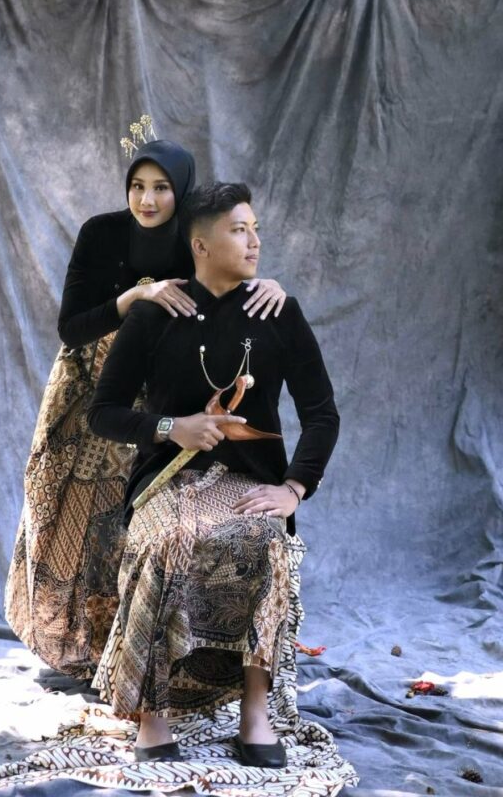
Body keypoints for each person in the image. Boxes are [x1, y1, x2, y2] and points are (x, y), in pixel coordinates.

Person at [5, 140, 286, 679]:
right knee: (61, 516)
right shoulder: (100, 233)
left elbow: (226, 292)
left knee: (128, 520)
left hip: (155, 398)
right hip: (84, 391)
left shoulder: (194, 238)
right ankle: (71, 649)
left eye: (161, 188)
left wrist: (264, 285)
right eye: (137, 186)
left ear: (181, 191)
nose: (147, 199)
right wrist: (135, 297)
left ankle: (129, 655)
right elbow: (71, 327)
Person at [87, 181, 339, 767]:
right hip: (167, 481)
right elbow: (104, 411)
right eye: (239, 230)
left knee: (266, 541)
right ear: (200, 245)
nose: (254, 242)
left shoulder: (277, 310)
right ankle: (153, 714)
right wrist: (170, 426)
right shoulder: (157, 313)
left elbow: (322, 413)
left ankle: (256, 712)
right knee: (169, 542)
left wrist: (294, 487)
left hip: (252, 482)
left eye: (255, 230)